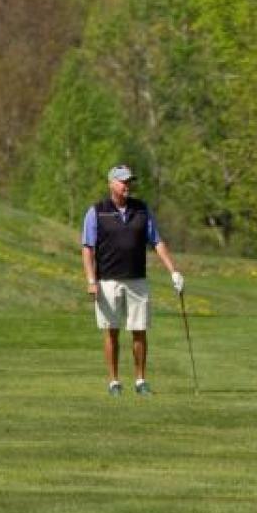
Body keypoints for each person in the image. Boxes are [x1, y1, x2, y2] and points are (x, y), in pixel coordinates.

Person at [81, 165, 184, 397]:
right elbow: (87, 249)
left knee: (139, 331)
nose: (127, 185)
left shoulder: (142, 210)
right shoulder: (97, 211)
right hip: (107, 281)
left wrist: (173, 271)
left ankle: (140, 380)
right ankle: (114, 382)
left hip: (137, 280)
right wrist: (90, 280)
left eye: (129, 181)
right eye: (122, 181)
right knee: (111, 331)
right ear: (111, 184)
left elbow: (156, 242)